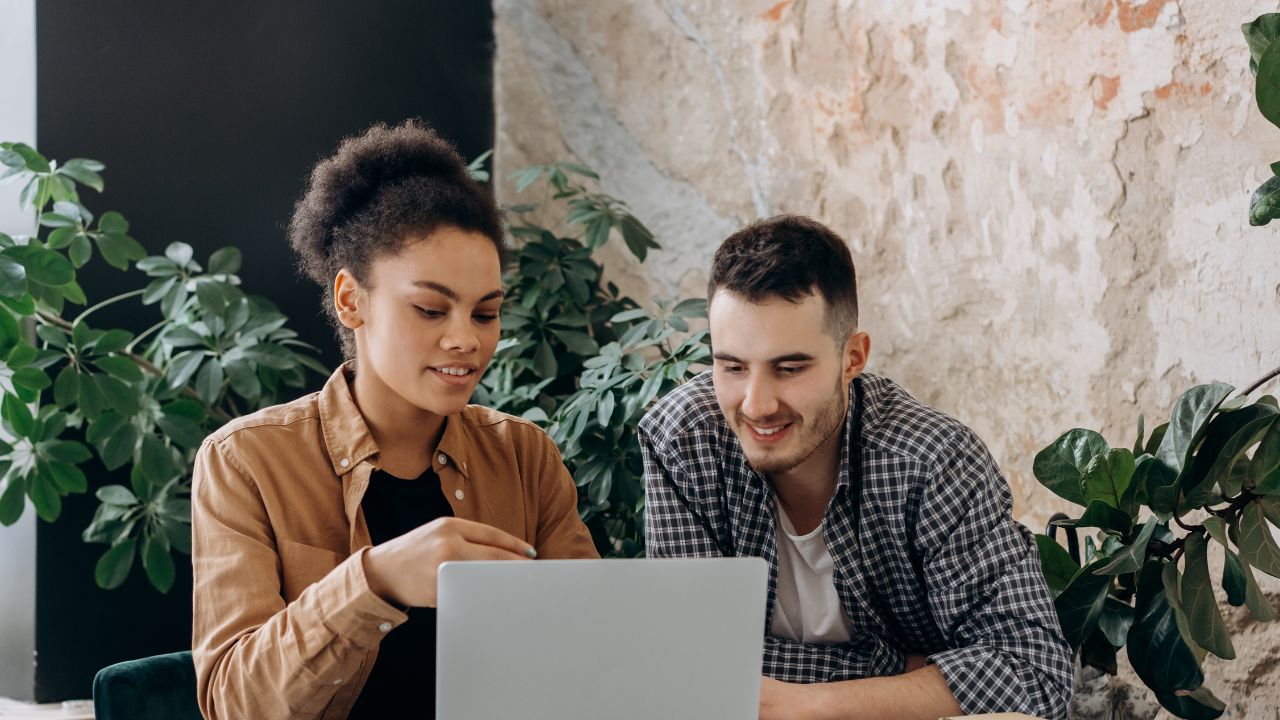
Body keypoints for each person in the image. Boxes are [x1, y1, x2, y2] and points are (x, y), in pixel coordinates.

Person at [191, 120, 598, 720]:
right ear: (351, 300)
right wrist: (374, 581)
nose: (465, 339)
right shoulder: (247, 461)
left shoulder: (524, 456)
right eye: (430, 309)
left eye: (486, 313)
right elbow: (234, 703)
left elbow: (592, 649)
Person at [638, 215, 1073, 719]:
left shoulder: (933, 460)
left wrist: (811, 705)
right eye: (732, 367)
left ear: (853, 358)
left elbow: (1034, 673)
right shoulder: (681, 442)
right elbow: (693, 666)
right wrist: (904, 671)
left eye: (790, 368)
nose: (756, 405)